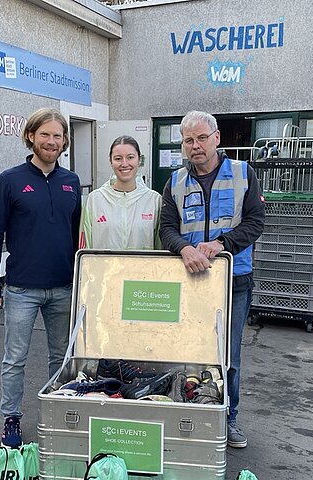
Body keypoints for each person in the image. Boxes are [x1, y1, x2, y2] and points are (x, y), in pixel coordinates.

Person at [158, 110, 264, 449]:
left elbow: (255, 223)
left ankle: (228, 418)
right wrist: (183, 249)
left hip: (234, 281)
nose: (195, 146)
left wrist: (222, 244)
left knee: (227, 354)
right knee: (186, 351)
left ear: (217, 138)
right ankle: (187, 413)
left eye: (202, 138)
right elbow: (166, 229)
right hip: (190, 281)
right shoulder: (174, 182)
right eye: (188, 140)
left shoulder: (243, 173)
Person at [0, 108, 81, 449]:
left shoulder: (72, 182)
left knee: (62, 357)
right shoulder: (9, 180)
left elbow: (76, 236)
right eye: (45, 135)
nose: (51, 141)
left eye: (57, 136)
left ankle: (58, 413)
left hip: (63, 286)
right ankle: (11, 419)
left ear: (65, 141)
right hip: (22, 288)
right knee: (15, 358)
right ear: (30, 137)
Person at [79, 136, 162, 250]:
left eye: (130, 157)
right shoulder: (94, 200)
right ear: (111, 161)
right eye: (118, 158)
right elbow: (85, 247)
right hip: (104, 268)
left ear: (139, 160)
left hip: (142, 268)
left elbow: (160, 248)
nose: (124, 164)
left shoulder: (154, 200)